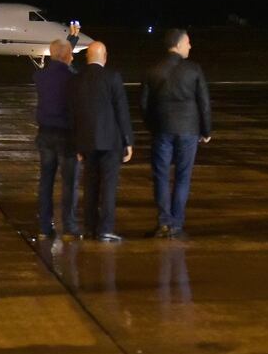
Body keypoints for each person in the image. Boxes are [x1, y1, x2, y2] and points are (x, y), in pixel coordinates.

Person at [140, 29, 211, 239]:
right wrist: (206, 130)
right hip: (189, 130)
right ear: (178, 45)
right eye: (188, 42)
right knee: (183, 177)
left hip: (162, 130)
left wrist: (153, 127)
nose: (190, 46)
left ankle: (164, 222)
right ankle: (177, 224)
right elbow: (204, 103)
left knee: (161, 176)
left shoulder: (153, 70)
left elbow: (143, 104)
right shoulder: (194, 69)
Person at [71, 41, 133, 242]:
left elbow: (73, 114)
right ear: (104, 57)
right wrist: (128, 140)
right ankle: (105, 228)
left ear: (88, 57)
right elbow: (121, 111)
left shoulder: (77, 79)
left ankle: (89, 227)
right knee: (108, 186)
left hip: (87, 141)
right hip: (110, 141)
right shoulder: (112, 77)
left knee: (90, 186)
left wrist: (77, 144)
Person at [33, 38, 80, 240]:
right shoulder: (72, 77)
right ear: (67, 55)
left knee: (46, 181)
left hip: (45, 133)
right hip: (66, 134)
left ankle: (44, 226)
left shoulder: (40, 76)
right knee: (70, 182)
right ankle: (69, 226)